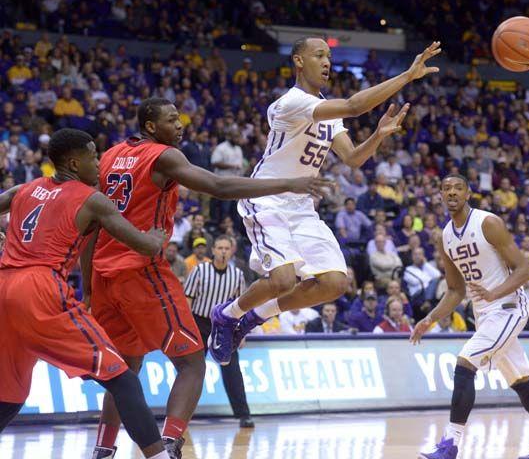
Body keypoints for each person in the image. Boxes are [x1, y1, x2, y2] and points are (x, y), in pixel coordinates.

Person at [86, 97, 330, 459]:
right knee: (192, 363)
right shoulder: (162, 156)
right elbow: (220, 187)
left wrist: (87, 284)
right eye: (172, 120)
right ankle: (169, 445)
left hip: (104, 274)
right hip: (140, 269)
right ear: (151, 126)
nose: (181, 125)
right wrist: (288, 183)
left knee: (127, 368)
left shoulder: (109, 155)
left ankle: (103, 448)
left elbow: (91, 224)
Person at [210, 38, 441, 365]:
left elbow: (353, 159)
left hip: (302, 206)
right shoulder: (290, 103)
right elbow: (353, 106)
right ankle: (227, 314)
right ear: (299, 61)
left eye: (329, 56)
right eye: (319, 55)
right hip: (266, 197)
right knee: (283, 279)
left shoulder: (327, 113)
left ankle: (253, 317)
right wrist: (406, 76)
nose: (327, 62)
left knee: (335, 283)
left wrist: (377, 136)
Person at [0, 129, 171, 459]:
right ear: (74, 162)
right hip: (40, 288)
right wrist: (157, 235)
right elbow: (143, 246)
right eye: (94, 156)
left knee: (9, 393)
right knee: (122, 378)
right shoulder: (91, 198)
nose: (99, 161)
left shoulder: (26, 188)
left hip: (5, 285)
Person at [411, 174, 529, 459]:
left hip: (509, 306)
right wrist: (429, 319)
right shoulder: (445, 236)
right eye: (445, 188)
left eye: (458, 188)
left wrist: (495, 293)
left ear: (468, 193)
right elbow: (455, 291)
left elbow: (523, 270)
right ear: (440, 195)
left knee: (465, 363)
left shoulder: (488, 223)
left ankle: (450, 444)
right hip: (485, 314)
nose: (451, 193)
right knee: (521, 380)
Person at [183, 236, 253, 428]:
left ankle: (243, 415)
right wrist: (187, 328)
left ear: (231, 251)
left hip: (223, 325)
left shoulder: (237, 275)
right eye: (220, 247)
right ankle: (181, 417)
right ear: (212, 250)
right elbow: (187, 300)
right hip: (199, 323)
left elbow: (242, 305)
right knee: (193, 371)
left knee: (233, 372)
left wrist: (243, 333)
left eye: (226, 248)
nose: (223, 251)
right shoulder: (199, 270)